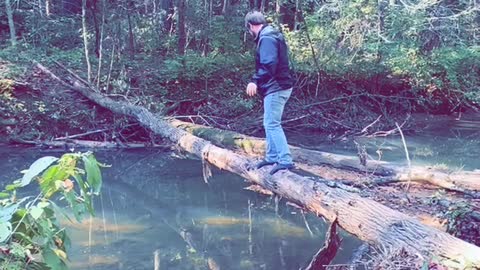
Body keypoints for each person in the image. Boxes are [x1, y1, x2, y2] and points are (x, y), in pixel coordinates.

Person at [244, 11, 294, 175]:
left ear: (250, 26)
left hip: (277, 87)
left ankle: (285, 160)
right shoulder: (271, 34)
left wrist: (255, 80)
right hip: (278, 86)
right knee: (269, 123)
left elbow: (269, 64)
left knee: (272, 124)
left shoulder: (266, 38)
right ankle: (272, 157)